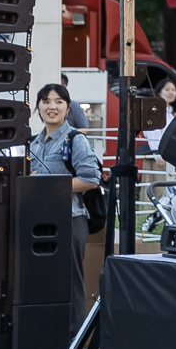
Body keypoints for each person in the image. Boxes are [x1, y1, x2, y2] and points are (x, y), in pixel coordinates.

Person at [29, 83, 102, 319]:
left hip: (70, 219)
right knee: (42, 280)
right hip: (38, 219)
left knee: (70, 280)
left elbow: (91, 179)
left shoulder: (75, 139)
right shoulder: (32, 142)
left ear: (68, 108)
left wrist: (52, 186)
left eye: (59, 102)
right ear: (38, 107)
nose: (52, 107)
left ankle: (73, 343)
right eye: (46, 101)